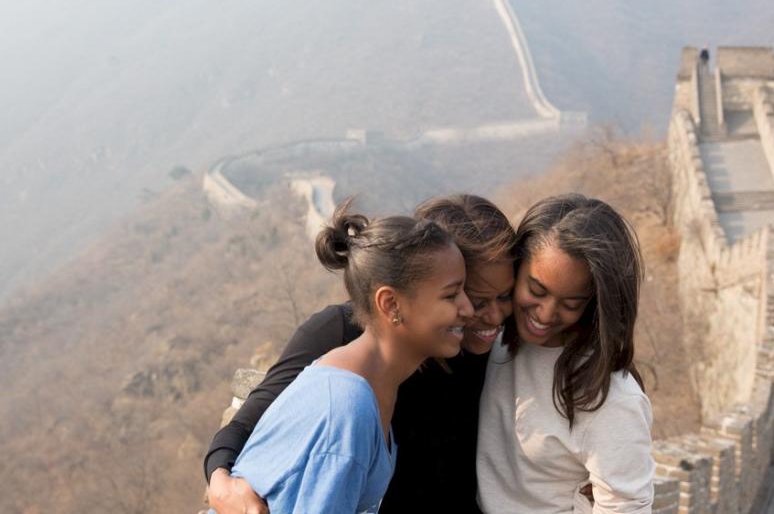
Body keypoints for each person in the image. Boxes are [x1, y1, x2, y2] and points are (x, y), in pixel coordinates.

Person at [205, 194, 516, 513]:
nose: (492, 316)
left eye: (506, 296)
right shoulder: (344, 347)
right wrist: (222, 485)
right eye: (468, 297)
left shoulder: (492, 349)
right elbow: (249, 426)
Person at [476, 194, 655, 513]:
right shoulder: (492, 338)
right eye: (536, 290)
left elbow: (626, 506)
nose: (545, 314)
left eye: (571, 304)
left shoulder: (611, 397)